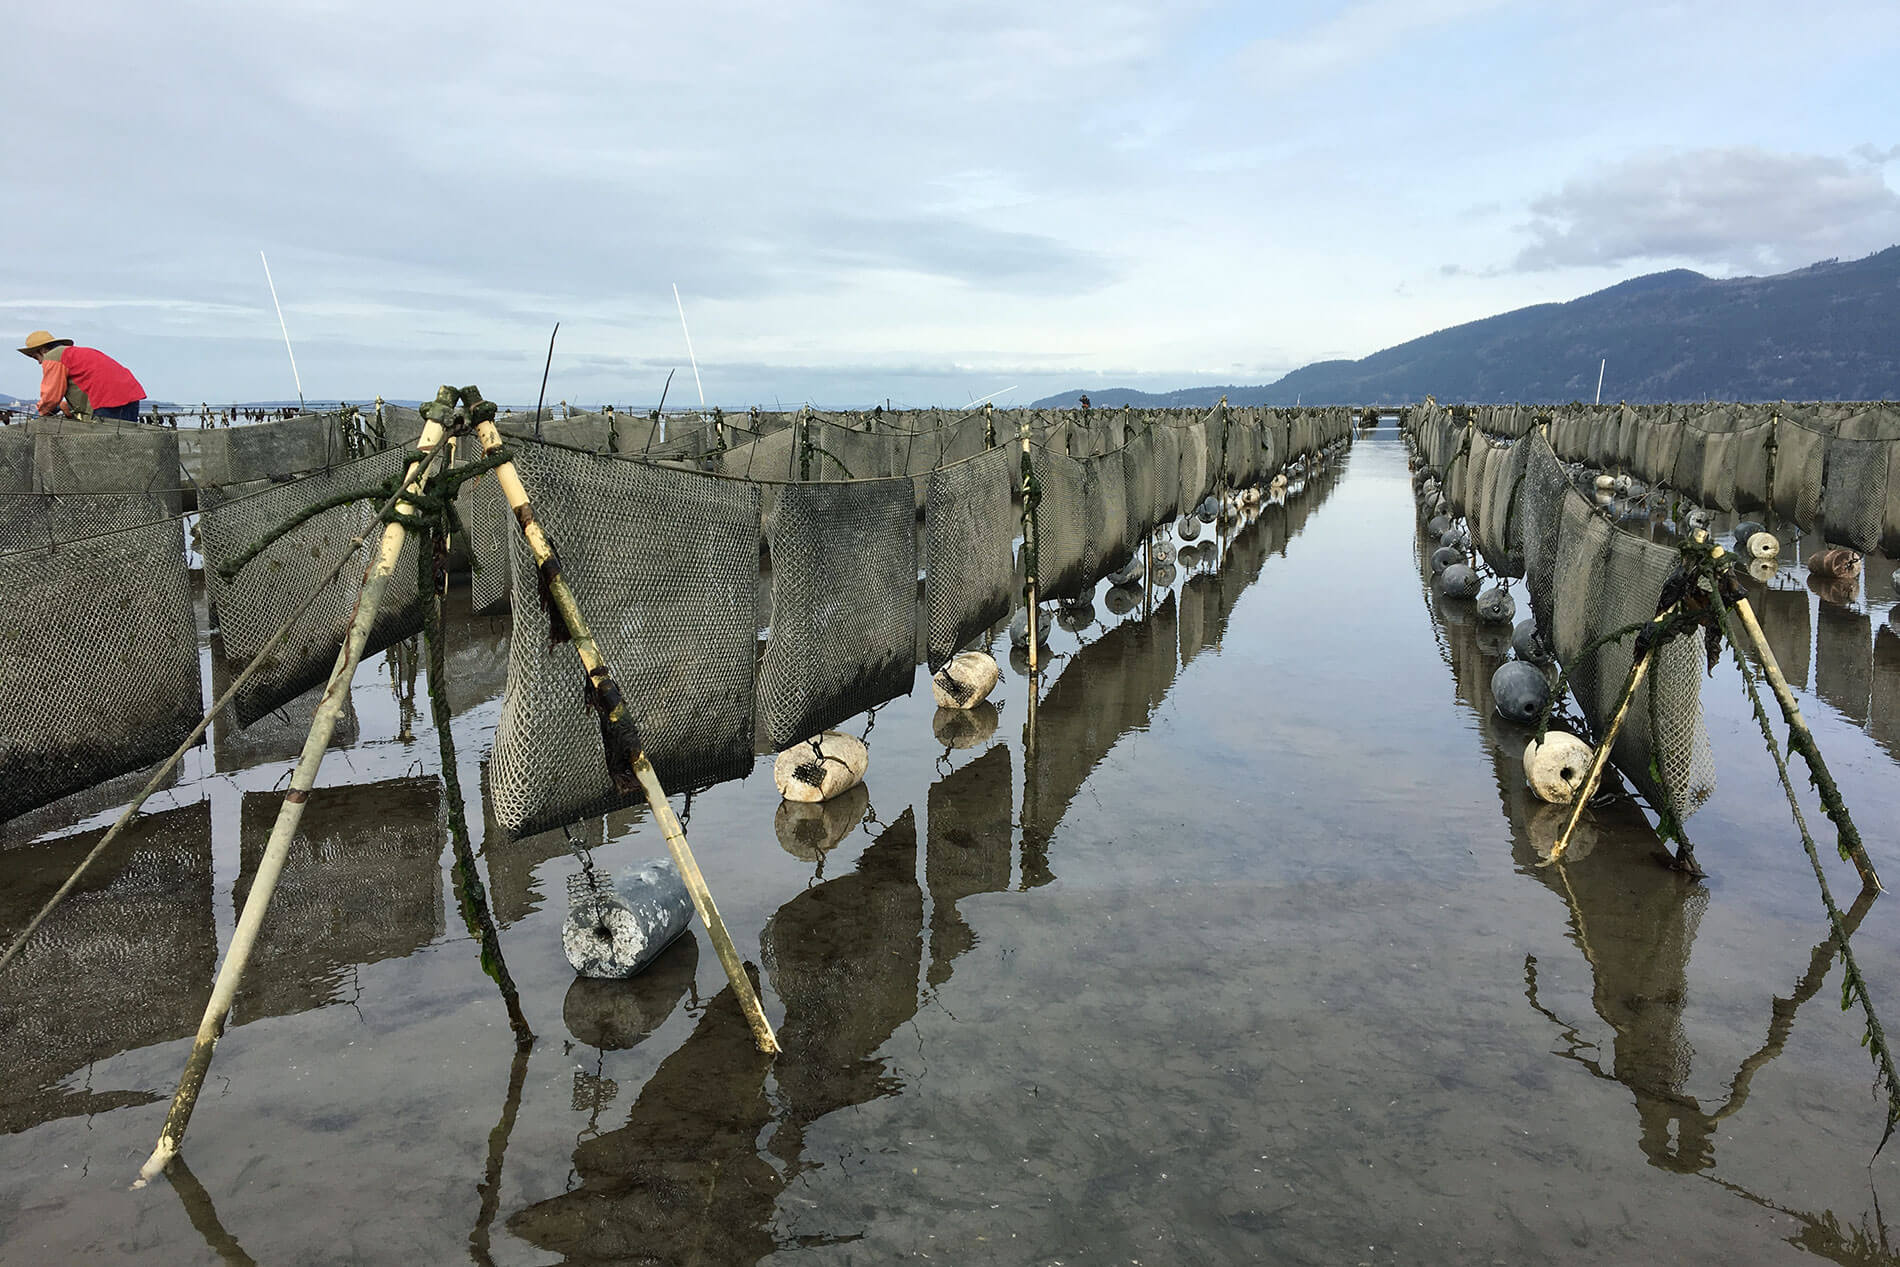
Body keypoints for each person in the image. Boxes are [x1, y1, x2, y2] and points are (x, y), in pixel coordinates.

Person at [17, 330, 146, 422]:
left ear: (43, 350)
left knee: (103, 450)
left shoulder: (54, 356)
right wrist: (65, 406)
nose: (40, 363)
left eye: (37, 358)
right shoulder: (78, 353)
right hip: (131, 396)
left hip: (105, 402)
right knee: (124, 444)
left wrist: (40, 414)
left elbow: (51, 396)